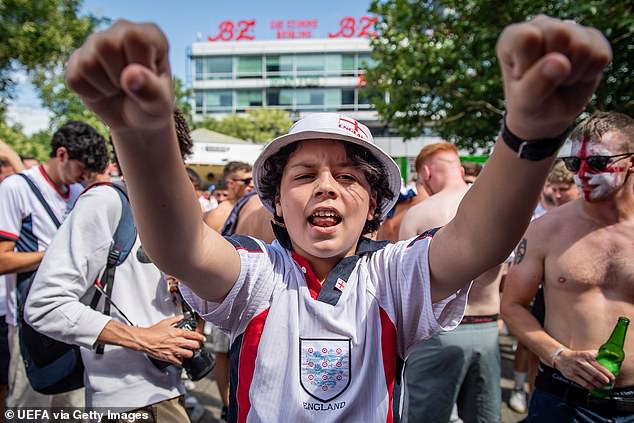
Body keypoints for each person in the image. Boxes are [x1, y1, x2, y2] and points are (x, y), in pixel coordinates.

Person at [64, 16, 611, 421]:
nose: (326, 185)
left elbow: (478, 240)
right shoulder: (258, 273)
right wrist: (144, 136)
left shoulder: (396, 275)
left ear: (376, 205)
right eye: (304, 176)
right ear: (275, 201)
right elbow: (181, 247)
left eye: (349, 177)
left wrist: (529, 135)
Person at [24, 110, 206, 419]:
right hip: (127, 399)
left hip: (167, 388)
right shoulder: (104, 202)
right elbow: (43, 305)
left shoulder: (161, 211)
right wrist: (144, 339)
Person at [501, 111, 634, 422]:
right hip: (562, 402)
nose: (583, 173)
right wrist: (559, 356)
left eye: (598, 163)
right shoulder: (545, 230)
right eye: (575, 164)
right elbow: (512, 305)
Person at [0, 121, 108, 408]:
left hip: (73, 318)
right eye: (81, 168)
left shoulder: (76, 194)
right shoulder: (16, 188)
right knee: (30, 406)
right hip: (31, 322)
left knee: (70, 407)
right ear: (61, 154)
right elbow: (2, 259)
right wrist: (57, 255)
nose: (84, 176)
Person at [399, 143, 506, 423]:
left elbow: (403, 285)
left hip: (437, 334)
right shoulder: (497, 209)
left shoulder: (418, 215)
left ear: (425, 172)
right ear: (459, 169)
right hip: (488, 327)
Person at [507, 159, 579, 414]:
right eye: (554, 189)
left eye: (564, 189)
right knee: (529, 347)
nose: (557, 195)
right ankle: (522, 390)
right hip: (541, 295)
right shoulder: (542, 221)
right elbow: (512, 304)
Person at [203, 161, 253, 231]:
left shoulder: (249, 207)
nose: (252, 184)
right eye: (247, 181)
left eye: (253, 180)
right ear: (231, 183)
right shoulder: (218, 215)